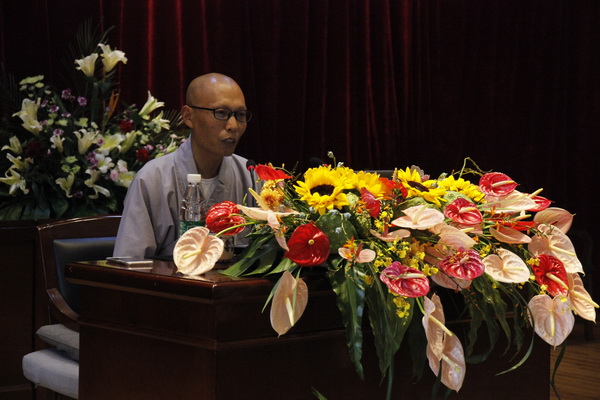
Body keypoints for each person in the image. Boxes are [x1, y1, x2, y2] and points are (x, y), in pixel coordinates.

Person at [113, 73, 256, 258]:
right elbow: (129, 265)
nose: (233, 125)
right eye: (221, 113)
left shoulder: (252, 177)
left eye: (240, 115)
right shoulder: (152, 179)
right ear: (188, 117)